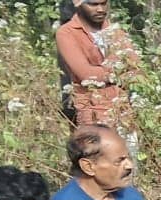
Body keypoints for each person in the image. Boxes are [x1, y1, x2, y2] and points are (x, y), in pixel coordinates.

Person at [56, 0, 139, 128]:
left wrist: (104, 72)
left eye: (104, 3)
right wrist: (120, 71)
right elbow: (87, 75)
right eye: (93, 4)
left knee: (130, 148)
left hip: (124, 111)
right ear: (78, 4)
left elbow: (136, 67)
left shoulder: (115, 31)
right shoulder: (67, 33)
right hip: (93, 113)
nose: (100, 9)